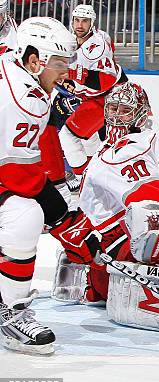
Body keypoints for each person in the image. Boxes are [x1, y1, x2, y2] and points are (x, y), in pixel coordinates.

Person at [51, 82, 159, 335]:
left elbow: (156, 205)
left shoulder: (130, 150)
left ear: (140, 114)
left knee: (103, 283)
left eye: (125, 110)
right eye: (113, 108)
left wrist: (155, 236)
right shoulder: (130, 144)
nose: (116, 115)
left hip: (147, 240)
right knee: (88, 269)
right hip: (124, 236)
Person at [0, 17, 78, 354]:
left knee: (23, 213)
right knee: (25, 214)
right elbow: (19, 175)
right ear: (35, 60)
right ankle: (11, 310)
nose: (67, 74)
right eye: (60, 64)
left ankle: (9, 307)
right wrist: (62, 216)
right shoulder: (22, 99)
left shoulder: (14, 68)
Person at [56, 4, 128, 191]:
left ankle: (85, 179)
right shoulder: (72, 40)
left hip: (108, 97)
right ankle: (98, 178)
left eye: (84, 21)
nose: (79, 25)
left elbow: (105, 80)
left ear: (92, 23)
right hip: (94, 98)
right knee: (89, 139)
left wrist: (72, 74)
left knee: (68, 135)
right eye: (76, 20)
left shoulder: (96, 46)